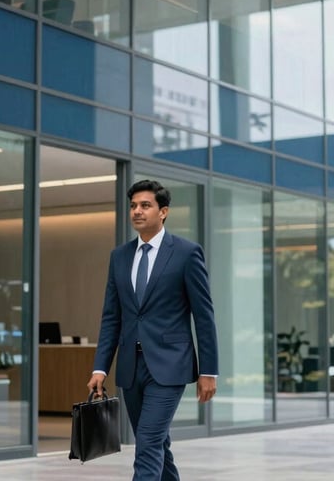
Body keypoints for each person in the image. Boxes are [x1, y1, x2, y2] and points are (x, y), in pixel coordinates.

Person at [87, 179, 218, 480]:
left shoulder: (186, 253)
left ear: (163, 212)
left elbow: (204, 316)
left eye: (145, 205)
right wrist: (100, 368)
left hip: (170, 365)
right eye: (133, 205)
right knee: (156, 443)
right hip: (131, 369)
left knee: (147, 443)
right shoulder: (119, 256)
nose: (137, 211)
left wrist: (208, 371)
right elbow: (112, 317)